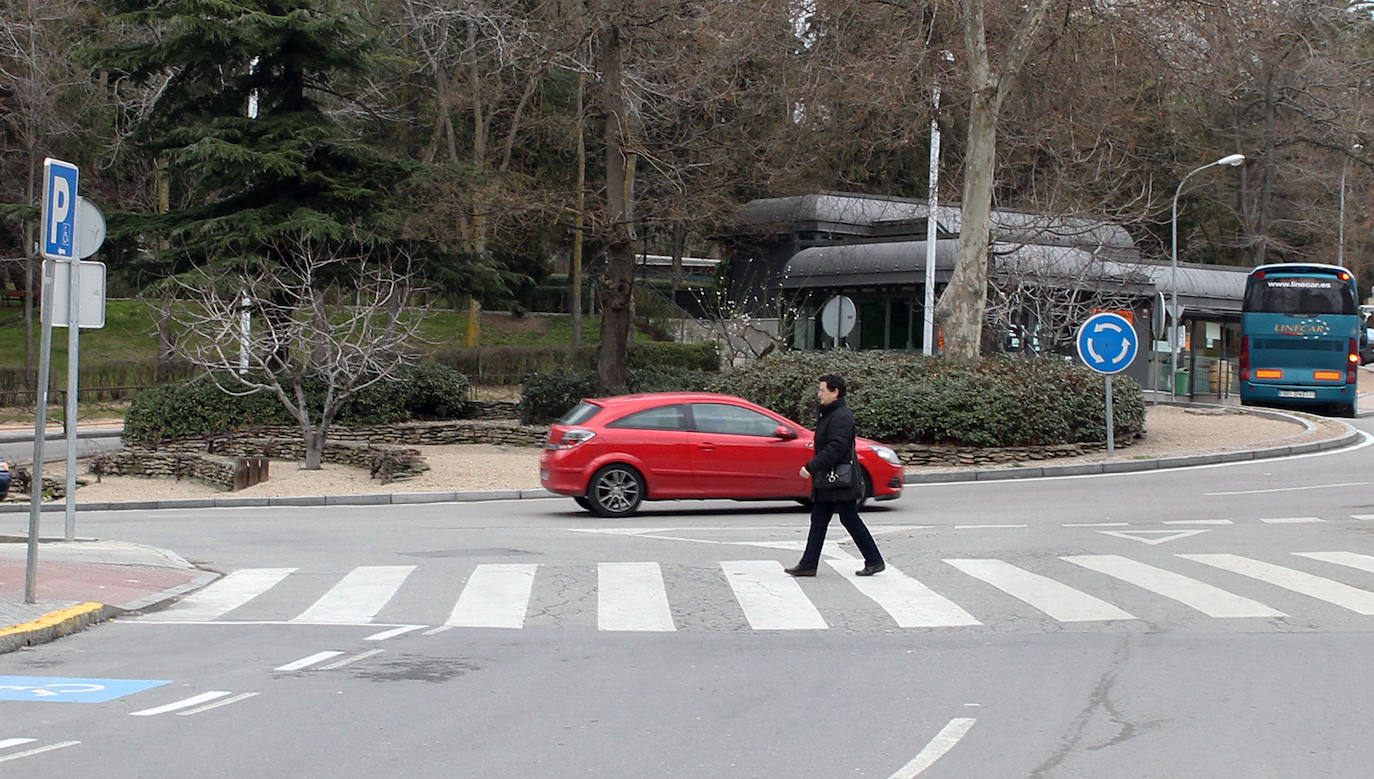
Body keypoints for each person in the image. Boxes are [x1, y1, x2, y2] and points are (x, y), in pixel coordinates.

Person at [785, 373, 885, 577]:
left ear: (835, 392)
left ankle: (874, 560)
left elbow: (836, 448)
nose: (819, 394)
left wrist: (811, 467)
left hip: (838, 479)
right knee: (820, 519)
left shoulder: (841, 415)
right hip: (829, 479)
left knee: (848, 518)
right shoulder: (830, 413)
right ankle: (808, 564)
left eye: (822, 390)